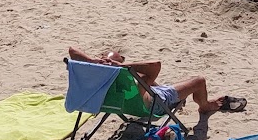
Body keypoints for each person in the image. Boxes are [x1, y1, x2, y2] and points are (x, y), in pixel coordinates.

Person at [66, 48, 245, 116]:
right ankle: (205, 106)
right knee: (199, 80)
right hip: (154, 105)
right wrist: (124, 66)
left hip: (116, 103)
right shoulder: (123, 73)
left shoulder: (95, 76)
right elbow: (156, 65)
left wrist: (96, 62)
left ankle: (177, 98)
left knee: (146, 81)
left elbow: (72, 52)